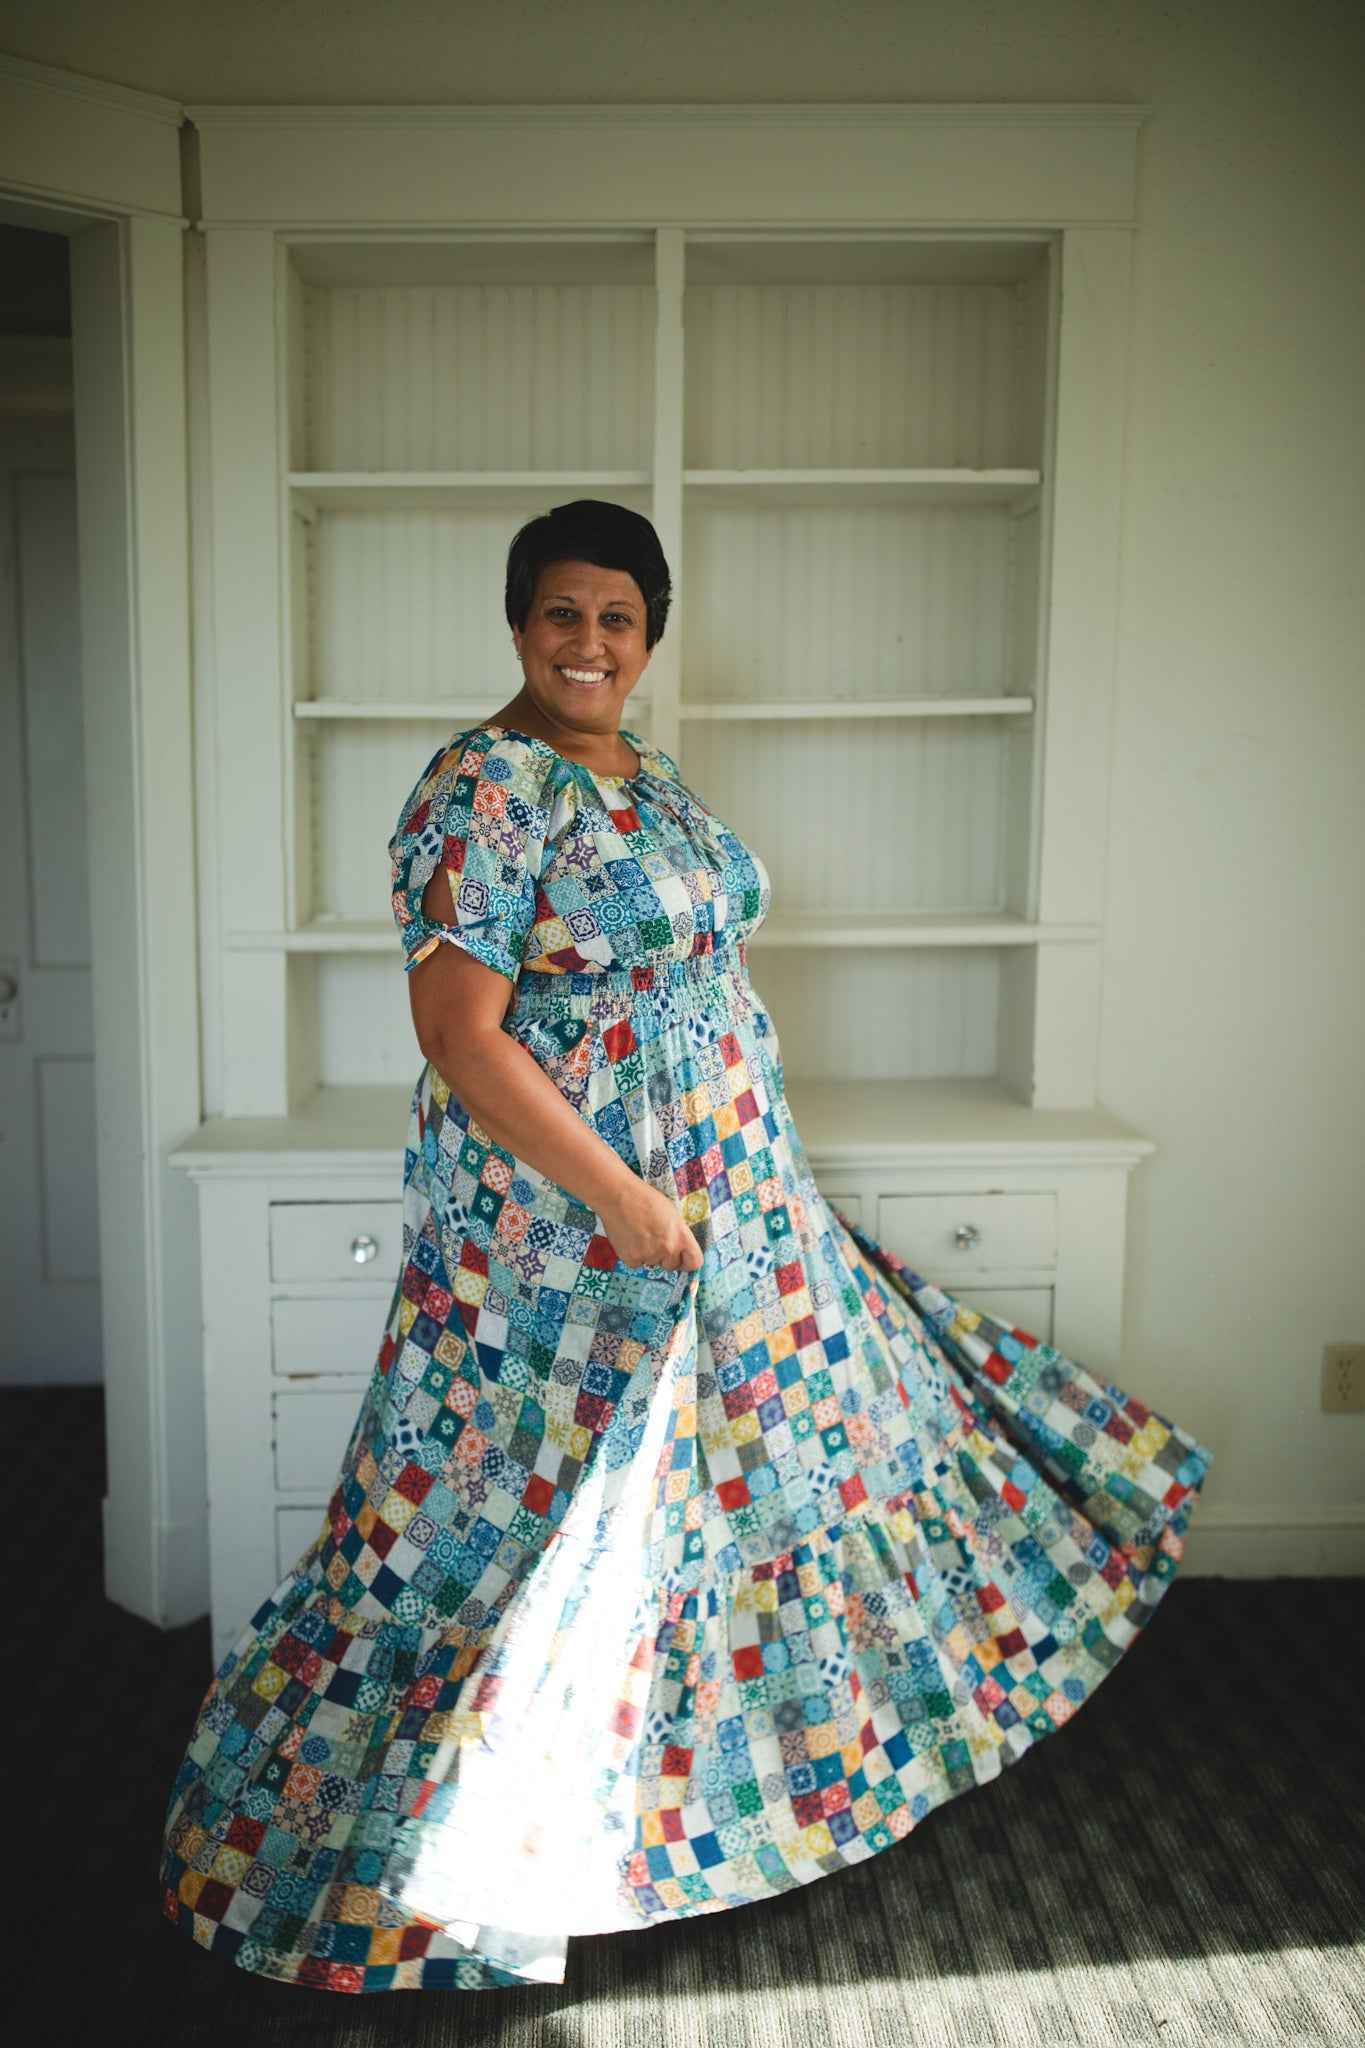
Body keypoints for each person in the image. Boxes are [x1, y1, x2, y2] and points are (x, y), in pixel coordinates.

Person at [160, 499, 1214, 1995]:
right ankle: (405, 1855)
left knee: (739, 1493)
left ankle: (700, 1812)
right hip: (568, 1228)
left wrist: (725, 1174)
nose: (588, 643)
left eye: (618, 619)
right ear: (517, 624)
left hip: (723, 1196)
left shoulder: (642, 775)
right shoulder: (479, 788)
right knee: (507, 1507)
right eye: (561, 614)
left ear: (648, 637)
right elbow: (463, 1038)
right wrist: (625, 1200)